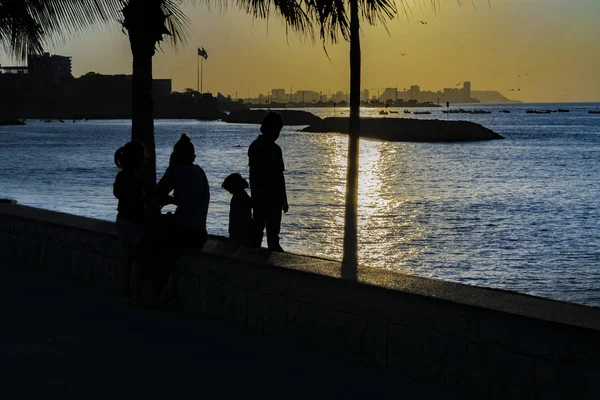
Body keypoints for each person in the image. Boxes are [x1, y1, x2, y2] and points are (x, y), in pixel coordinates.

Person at [151, 133, 210, 307]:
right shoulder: (200, 171)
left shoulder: (178, 172)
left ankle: (160, 292)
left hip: (184, 233)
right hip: (200, 233)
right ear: (194, 156)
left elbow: (159, 190)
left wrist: (170, 168)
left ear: (176, 156)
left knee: (154, 246)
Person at [248, 112, 288, 252]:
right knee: (271, 234)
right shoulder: (274, 150)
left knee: (258, 232)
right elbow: (279, 176)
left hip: (261, 196)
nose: (277, 134)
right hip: (270, 197)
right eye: (276, 131)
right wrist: (284, 199)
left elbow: (254, 175)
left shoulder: (255, 146)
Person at [113, 141, 146, 304]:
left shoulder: (121, 176)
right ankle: (136, 295)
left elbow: (118, 194)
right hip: (133, 223)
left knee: (126, 260)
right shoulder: (135, 179)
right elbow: (137, 205)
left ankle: (124, 293)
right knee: (138, 261)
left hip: (122, 220)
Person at [222, 173, 252, 246]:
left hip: (240, 229)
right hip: (243, 229)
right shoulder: (243, 196)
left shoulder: (239, 197)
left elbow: (237, 216)